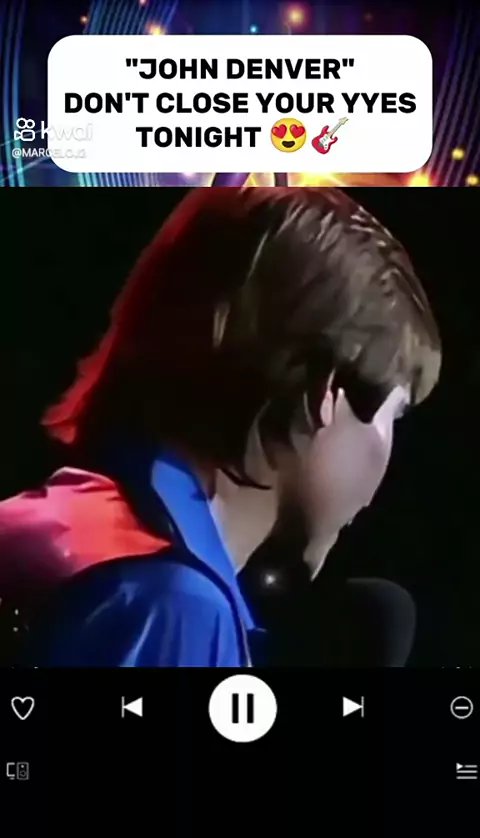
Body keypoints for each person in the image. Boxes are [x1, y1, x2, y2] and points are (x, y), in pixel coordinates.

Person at [0, 188, 441, 667]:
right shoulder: (177, 608)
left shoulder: (46, 523)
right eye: (393, 415)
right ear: (325, 393)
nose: (378, 488)